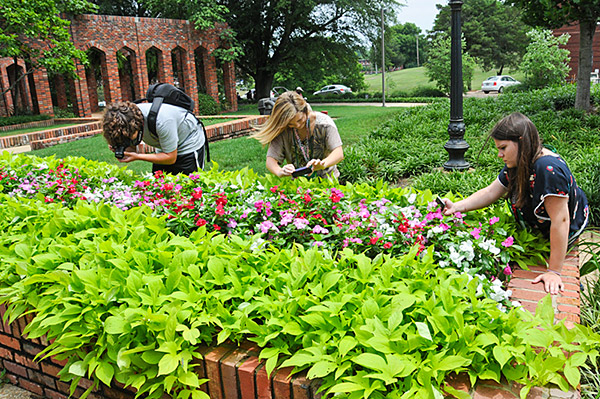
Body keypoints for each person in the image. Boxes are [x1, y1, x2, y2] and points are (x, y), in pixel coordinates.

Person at [441, 112, 588, 295]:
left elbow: (561, 220)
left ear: (521, 141)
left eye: (503, 147)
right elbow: (490, 191)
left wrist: (554, 272)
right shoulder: (520, 159)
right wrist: (456, 206)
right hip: (542, 219)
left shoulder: (548, 169)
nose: (499, 154)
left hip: (566, 223)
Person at [251, 91, 343, 179]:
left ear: (306, 111)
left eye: (299, 120)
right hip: (297, 185)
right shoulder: (283, 128)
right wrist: (280, 171)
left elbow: (338, 153)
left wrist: (322, 164)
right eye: (291, 124)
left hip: (328, 182)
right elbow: (271, 161)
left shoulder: (324, 123)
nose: (297, 126)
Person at [102, 101, 206, 175]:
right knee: (159, 189)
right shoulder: (129, 119)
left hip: (188, 144)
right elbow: (133, 146)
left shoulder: (162, 122)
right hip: (164, 146)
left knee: (190, 190)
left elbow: (170, 157)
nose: (130, 141)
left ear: (138, 125)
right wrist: (123, 148)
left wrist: (138, 156)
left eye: (130, 138)